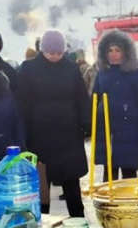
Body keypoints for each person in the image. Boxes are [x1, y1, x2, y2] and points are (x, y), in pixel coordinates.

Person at [17, 30, 90, 217]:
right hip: (40, 135)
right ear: (42, 50)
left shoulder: (71, 68)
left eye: (59, 53)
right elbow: (22, 103)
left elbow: (81, 98)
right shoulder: (28, 68)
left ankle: (78, 219)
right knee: (42, 184)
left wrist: (86, 122)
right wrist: (23, 135)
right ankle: (41, 222)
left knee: (71, 182)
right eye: (51, 53)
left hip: (68, 134)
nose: (55, 56)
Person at [93, 29, 138, 182]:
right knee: (109, 173)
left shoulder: (136, 74)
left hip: (129, 130)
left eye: (117, 50)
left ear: (126, 52)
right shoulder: (102, 74)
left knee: (129, 174)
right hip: (107, 130)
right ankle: (109, 204)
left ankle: (129, 204)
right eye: (110, 50)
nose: (113, 54)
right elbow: (94, 99)